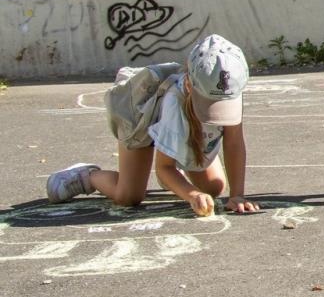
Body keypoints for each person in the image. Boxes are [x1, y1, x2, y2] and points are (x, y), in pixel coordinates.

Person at [45, 34, 259, 217]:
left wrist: (237, 195)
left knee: (213, 187)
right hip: (141, 117)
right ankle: (86, 177)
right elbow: (164, 168)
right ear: (188, 84)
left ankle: (177, 164)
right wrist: (192, 194)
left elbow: (233, 143)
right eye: (209, 103)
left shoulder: (228, 89)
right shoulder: (174, 103)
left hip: (182, 129)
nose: (217, 109)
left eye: (221, 104)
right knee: (128, 196)